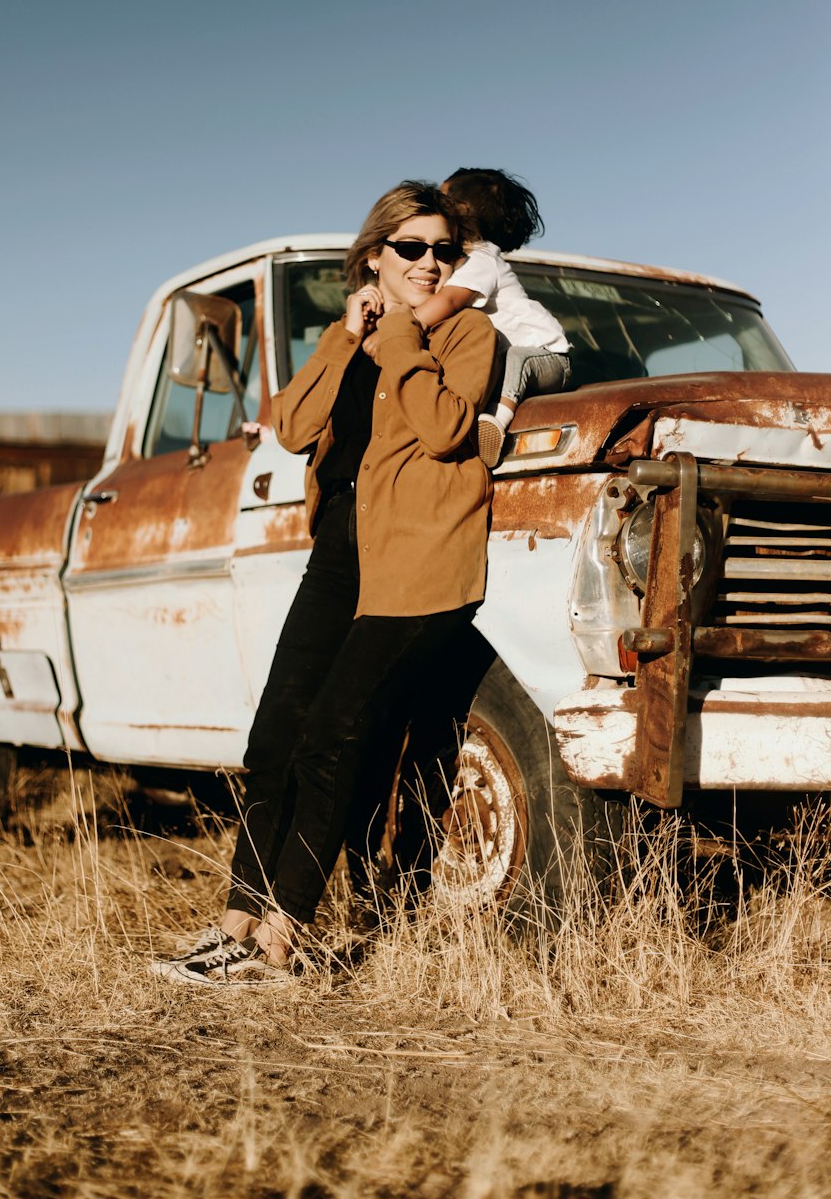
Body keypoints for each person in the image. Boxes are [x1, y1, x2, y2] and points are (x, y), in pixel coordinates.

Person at [151, 180, 500, 986]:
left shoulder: (467, 334)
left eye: (445, 251)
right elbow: (294, 427)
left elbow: (446, 427)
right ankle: (235, 922)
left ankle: (284, 937)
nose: (430, 262)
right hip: (342, 550)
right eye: (411, 248)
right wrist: (346, 337)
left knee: (331, 736)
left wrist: (408, 330)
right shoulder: (356, 336)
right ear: (373, 256)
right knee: (275, 735)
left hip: (415, 559)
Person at [392, 168, 571, 468]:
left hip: (550, 355)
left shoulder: (482, 259)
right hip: (518, 360)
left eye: (441, 196)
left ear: (459, 210)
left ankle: (497, 420)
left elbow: (448, 301)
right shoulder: (459, 260)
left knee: (516, 357)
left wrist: (403, 327)